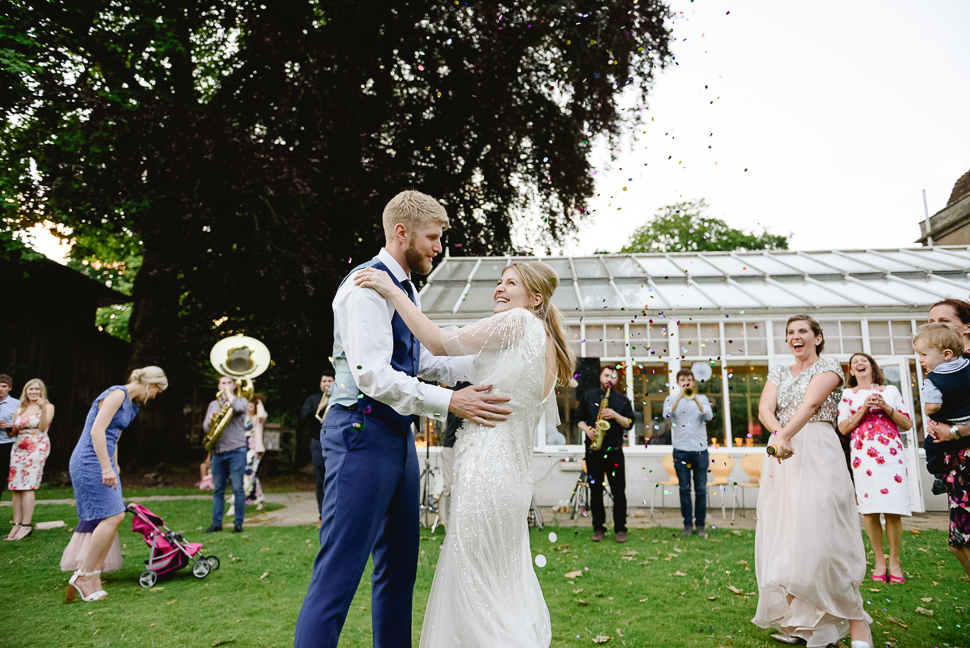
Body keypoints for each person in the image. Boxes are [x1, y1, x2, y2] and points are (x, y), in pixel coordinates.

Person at [293, 190, 511, 648]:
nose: (438, 247)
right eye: (432, 237)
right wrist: (450, 403)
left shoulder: (403, 288)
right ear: (401, 232)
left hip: (396, 438)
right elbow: (373, 374)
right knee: (340, 570)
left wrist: (495, 367)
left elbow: (419, 363)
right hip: (359, 430)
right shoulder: (364, 287)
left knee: (399, 570)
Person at [355, 259, 573, 647]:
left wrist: (393, 292)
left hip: (487, 471)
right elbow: (453, 364)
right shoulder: (544, 342)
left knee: (475, 586)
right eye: (499, 281)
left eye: (511, 283)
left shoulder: (519, 322)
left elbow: (438, 342)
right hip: (512, 479)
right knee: (498, 587)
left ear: (534, 298)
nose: (499, 289)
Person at [753, 315, 872, 648]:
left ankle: (858, 624)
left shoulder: (830, 366)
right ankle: (805, 626)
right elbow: (765, 407)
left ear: (818, 338)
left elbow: (812, 404)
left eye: (803, 331)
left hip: (818, 449)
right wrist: (779, 435)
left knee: (827, 536)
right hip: (783, 456)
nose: (796, 336)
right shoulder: (778, 371)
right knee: (787, 535)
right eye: (790, 332)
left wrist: (784, 434)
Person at [66, 366, 167, 602]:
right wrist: (105, 466)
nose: (154, 396)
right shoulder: (117, 394)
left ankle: (93, 576)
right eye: (157, 391)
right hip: (89, 460)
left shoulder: (131, 404)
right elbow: (97, 431)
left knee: (114, 516)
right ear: (151, 385)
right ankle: (83, 575)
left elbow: (115, 437)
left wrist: (115, 464)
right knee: (112, 516)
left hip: (104, 460)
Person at [837, 353, 913, 583]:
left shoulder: (890, 391)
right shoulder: (848, 395)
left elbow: (907, 423)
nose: (859, 364)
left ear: (872, 367)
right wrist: (863, 410)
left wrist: (886, 407)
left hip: (890, 457)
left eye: (864, 361)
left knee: (892, 508)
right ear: (851, 371)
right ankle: (879, 560)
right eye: (855, 363)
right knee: (869, 510)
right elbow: (843, 428)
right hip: (863, 457)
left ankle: (895, 560)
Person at [914, 323, 970, 577]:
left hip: (954, 446)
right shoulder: (967, 367)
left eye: (924, 355)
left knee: (930, 445)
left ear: (946, 353)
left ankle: (936, 476)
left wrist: (927, 403)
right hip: (961, 445)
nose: (921, 360)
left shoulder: (934, 378)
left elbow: (931, 408)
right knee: (960, 541)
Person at [577, 365, 634, 543]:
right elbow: (578, 419)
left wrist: (615, 415)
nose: (610, 379)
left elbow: (629, 423)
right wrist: (587, 430)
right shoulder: (588, 396)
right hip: (594, 450)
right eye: (607, 375)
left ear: (617, 380)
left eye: (613, 376)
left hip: (615, 452)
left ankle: (620, 529)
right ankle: (598, 528)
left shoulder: (623, 400)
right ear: (600, 377)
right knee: (595, 491)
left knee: (618, 492)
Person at [925, 299, 970, 496]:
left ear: (967, 326)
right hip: (954, 460)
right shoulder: (940, 364)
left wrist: (954, 431)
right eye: (931, 321)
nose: (936, 326)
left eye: (944, 320)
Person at [663, 367, 714, 538]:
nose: (686, 382)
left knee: (700, 489)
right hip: (681, 450)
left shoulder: (702, 398)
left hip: (700, 450)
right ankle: (687, 525)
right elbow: (667, 415)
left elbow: (708, 416)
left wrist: (696, 400)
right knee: (684, 490)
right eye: (683, 379)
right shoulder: (671, 399)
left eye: (689, 379)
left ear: (694, 381)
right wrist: (680, 396)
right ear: (678, 382)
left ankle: (700, 525)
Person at [6, 378, 55, 541]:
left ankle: (26, 524)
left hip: (37, 445)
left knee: (28, 484)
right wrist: (8, 427)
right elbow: (13, 433)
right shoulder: (20, 408)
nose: (33, 392)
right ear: (25, 391)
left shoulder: (48, 407)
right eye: (30, 389)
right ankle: (17, 523)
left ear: (42, 391)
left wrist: (41, 408)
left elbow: (43, 427)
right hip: (19, 446)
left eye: (36, 389)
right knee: (15, 486)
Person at [203, 375, 249, 534]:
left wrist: (230, 395)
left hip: (237, 450)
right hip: (218, 452)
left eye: (229, 383)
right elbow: (205, 428)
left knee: (238, 488)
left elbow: (239, 409)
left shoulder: (241, 400)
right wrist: (209, 421)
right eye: (223, 383)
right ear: (218, 386)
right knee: (218, 489)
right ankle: (216, 523)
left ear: (234, 386)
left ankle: (238, 523)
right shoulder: (213, 404)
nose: (226, 385)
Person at [301, 370, 335, 526]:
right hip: (317, 443)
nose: (327, 384)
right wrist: (320, 407)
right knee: (320, 480)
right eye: (324, 381)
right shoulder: (312, 399)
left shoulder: (339, 399)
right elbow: (303, 418)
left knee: (334, 479)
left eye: (330, 381)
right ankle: (322, 516)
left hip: (335, 443)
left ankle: (335, 514)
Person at [438, 381, 470, 529]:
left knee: (467, 489)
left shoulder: (473, 384)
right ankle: (448, 529)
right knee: (448, 487)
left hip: (469, 444)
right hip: (450, 443)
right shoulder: (448, 386)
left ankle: (465, 529)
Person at [243, 394, 267, 509]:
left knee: (248, 474)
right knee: (251, 475)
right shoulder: (244, 418)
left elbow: (262, 414)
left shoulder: (258, 419)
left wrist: (258, 402)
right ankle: (260, 498)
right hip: (243, 449)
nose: (248, 408)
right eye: (248, 406)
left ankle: (237, 500)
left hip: (253, 451)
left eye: (251, 407)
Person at [0, 374, 17, 507]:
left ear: (9, 388)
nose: (0, 389)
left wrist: (8, 425)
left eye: (4, 386)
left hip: (7, 445)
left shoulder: (16, 404)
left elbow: (21, 424)